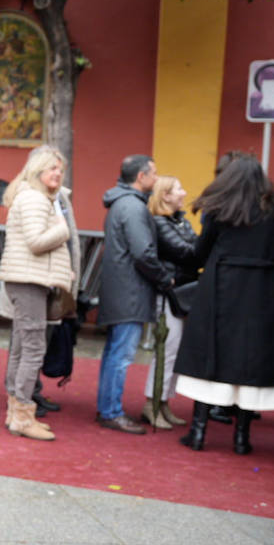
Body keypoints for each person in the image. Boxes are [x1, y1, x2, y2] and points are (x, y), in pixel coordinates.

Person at [174, 152, 274, 453]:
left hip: (221, 290)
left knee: (211, 357)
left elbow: (199, 253)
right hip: (262, 294)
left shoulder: (219, 211)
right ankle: (242, 438)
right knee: (251, 361)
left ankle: (199, 433)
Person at [0, 146, 74, 441]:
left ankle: (15, 412)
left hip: (29, 279)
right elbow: (35, 241)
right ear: (38, 169)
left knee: (21, 346)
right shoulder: (33, 198)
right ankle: (22, 416)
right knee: (32, 349)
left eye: (60, 169)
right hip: (27, 281)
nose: (57, 173)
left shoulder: (35, 197)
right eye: (52, 168)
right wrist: (62, 229)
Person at [95, 154, 166, 433]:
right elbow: (143, 253)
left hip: (120, 289)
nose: (156, 178)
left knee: (114, 352)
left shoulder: (119, 203)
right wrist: (164, 279)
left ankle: (107, 408)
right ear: (141, 176)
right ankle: (111, 411)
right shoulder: (134, 208)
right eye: (154, 173)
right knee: (121, 355)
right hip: (130, 291)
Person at [140, 176, 199, 430]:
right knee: (166, 350)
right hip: (168, 294)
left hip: (182, 292)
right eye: (178, 189)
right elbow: (188, 251)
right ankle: (152, 404)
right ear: (165, 195)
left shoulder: (181, 221)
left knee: (173, 352)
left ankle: (164, 402)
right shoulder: (160, 222)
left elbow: (194, 247)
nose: (183, 193)